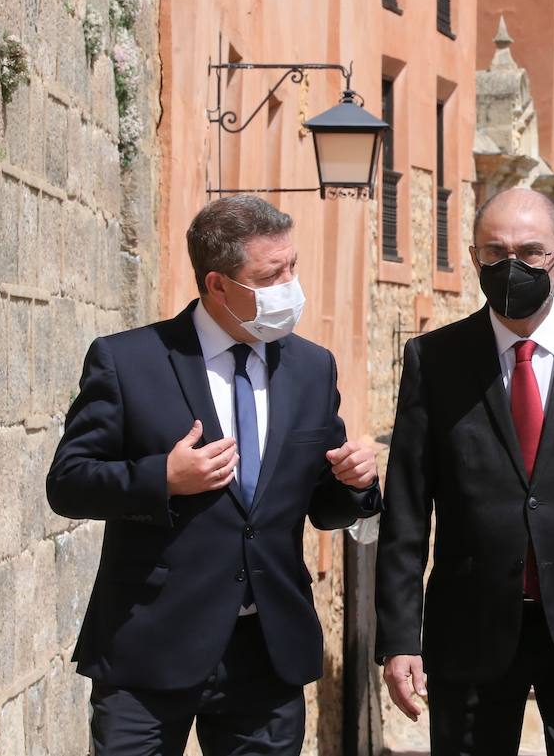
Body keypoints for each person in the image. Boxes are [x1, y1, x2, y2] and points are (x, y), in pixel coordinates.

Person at [47, 195, 382, 756]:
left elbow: (323, 505)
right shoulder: (128, 362)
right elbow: (68, 481)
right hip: (150, 647)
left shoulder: (311, 368)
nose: (290, 285)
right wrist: (162, 477)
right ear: (218, 285)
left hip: (266, 652)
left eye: (292, 266)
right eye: (271, 274)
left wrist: (356, 485)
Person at [375, 188, 554, 756]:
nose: (513, 266)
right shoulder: (434, 359)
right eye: (495, 252)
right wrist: (399, 638)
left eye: (531, 252)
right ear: (474, 257)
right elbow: (408, 510)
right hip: (470, 626)